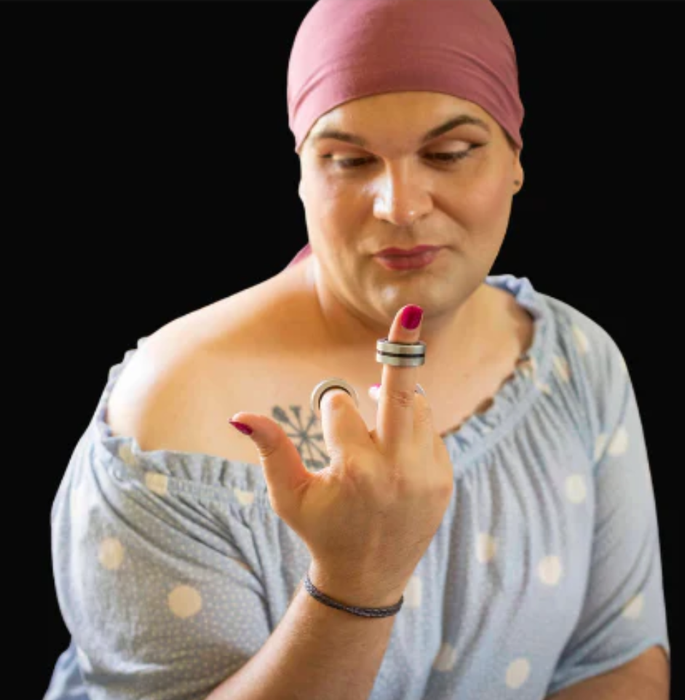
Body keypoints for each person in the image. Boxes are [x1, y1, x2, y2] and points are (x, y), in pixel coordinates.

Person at [44, 0, 670, 698]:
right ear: (303, 175)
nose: (400, 205)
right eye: (348, 160)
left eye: (449, 154)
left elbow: (617, 662)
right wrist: (355, 585)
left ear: (515, 159)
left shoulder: (574, 365)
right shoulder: (174, 406)